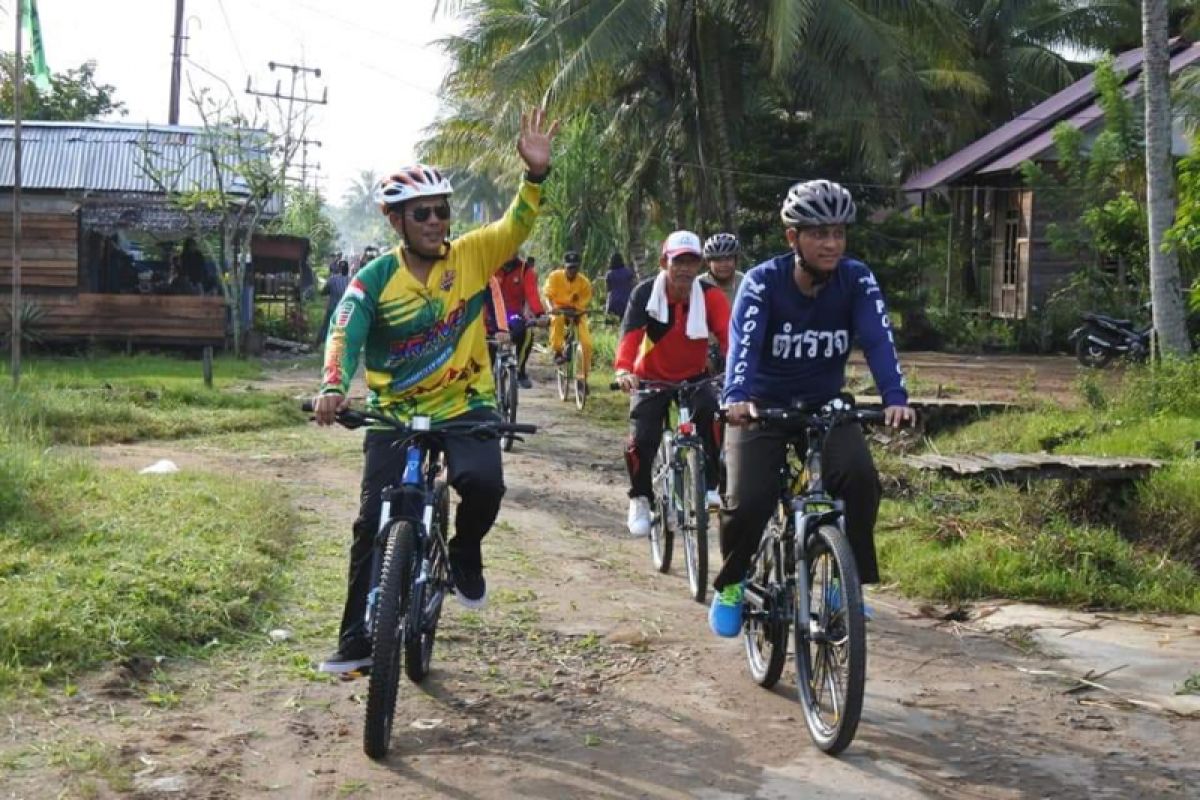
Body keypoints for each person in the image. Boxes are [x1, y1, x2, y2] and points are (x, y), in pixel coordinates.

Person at [311, 108, 558, 674]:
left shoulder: (471, 257)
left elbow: (516, 225)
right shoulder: (373, 278)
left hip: (465, 404)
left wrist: (535, 176)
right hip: (395, 413)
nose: (435, 221)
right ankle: (355, 638)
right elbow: (344, 332)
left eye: (441, 211)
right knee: (371, 519)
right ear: (394, 221)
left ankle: (465, 552)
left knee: (483, 484)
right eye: (421, 213)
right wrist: (332, 386)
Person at [710, 179, 916, 638]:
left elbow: (879, 339)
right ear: (792, 238)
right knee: (750, 501)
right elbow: (742, 347)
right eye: (819, 233)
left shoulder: (856, 278)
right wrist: (737, 397)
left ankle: (848, 584)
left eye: (839, 233)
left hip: (826, 405)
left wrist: (895, 398)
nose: (831, 244)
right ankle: (733, 582)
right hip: (760, 408)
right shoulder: (763, 283)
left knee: (860, 479)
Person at [614, 231, 730, 536]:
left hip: (693, 376)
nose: (685, 269)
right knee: (642, 437)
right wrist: (624, 371)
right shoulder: (644, 294)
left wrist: (738, 373)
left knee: (713, 415)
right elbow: (629, 336)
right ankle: (640, 498)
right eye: (679, 261)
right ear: (664, 261)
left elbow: (732, 338)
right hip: (650, 377)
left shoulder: (710, 296)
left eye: (692, 262)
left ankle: (711, 486)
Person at [491, 253, 546, 388]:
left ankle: (520, 371)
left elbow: (532, 294)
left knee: (526, 333)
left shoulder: (525, 270)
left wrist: (539, 315)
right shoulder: (490, 266)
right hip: (491, 315)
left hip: (514, 314)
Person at [543, 251, 593, 378]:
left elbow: (585, 300)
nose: (572, 270)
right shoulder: (554, 276)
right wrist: (551, 308)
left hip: (577, 312)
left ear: (579, 267)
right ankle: (558, 351)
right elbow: (548, 295)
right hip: (559, 310)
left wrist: (578, 309)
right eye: (569, 267)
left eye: (575, 267)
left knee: (586, 343)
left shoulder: (584, 282)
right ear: (564, 266)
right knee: (557, 320)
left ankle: (584, 377)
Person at [699, 232, 744, 306]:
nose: (723, 264)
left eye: (728, 259)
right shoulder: (698, 285)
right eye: (717, 260)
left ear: (736, 260)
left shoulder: (745, 283)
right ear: (708, 262)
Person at [316, 259, 351, 345]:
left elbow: (323, 292)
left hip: (333, 307)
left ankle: (318, 343)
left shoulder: (333, 279)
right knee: (345, 327)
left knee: (326, 325)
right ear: (348, 269)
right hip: (345, 309)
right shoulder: (352, 280)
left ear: (339, 269)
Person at [604, 251, 635, 321]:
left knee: (612, 325)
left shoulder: (609, 274)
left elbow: (608, 289)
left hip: (613, 302)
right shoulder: (628, 272)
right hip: (626, 302)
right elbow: (633, 286)